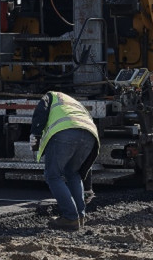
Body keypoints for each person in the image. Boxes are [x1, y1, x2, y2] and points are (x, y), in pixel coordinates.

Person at [30, 91, 100, 231]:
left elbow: (40, 112)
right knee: (73, 173)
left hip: (65, 132)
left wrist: (35, 133)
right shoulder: (74, 103)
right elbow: (85, 167)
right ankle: (80, 216)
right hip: (90, 135)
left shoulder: (50, 96)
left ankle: (70, 218)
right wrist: (88, 186)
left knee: (53, 175)